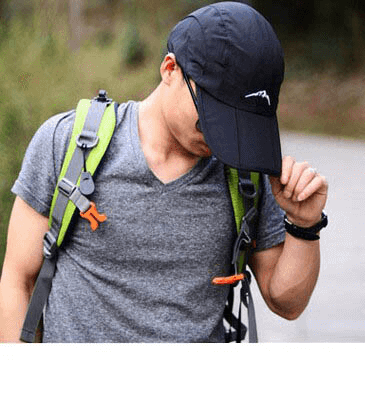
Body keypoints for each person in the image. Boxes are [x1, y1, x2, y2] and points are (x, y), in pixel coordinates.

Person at [0, 2, 328, 343]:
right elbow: (17, 279)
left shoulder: (247, 171)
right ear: (170, 69)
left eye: (239, 123)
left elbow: (287, 303)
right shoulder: (67, 142)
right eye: (215, 114)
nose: (225, 138)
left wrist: (305, 225)